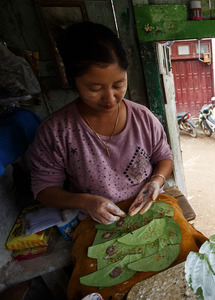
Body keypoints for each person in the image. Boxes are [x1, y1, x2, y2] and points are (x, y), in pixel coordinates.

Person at [29, 21, 173, 225]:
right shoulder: (56, 131)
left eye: (118, 84)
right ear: (72, 81)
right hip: (97, 220)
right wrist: (86, 202)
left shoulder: (143, 118)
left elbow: (164, 157)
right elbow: (43, 189)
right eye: (94, 88)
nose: (109, 98)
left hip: (147, 209)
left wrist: (156, 181)